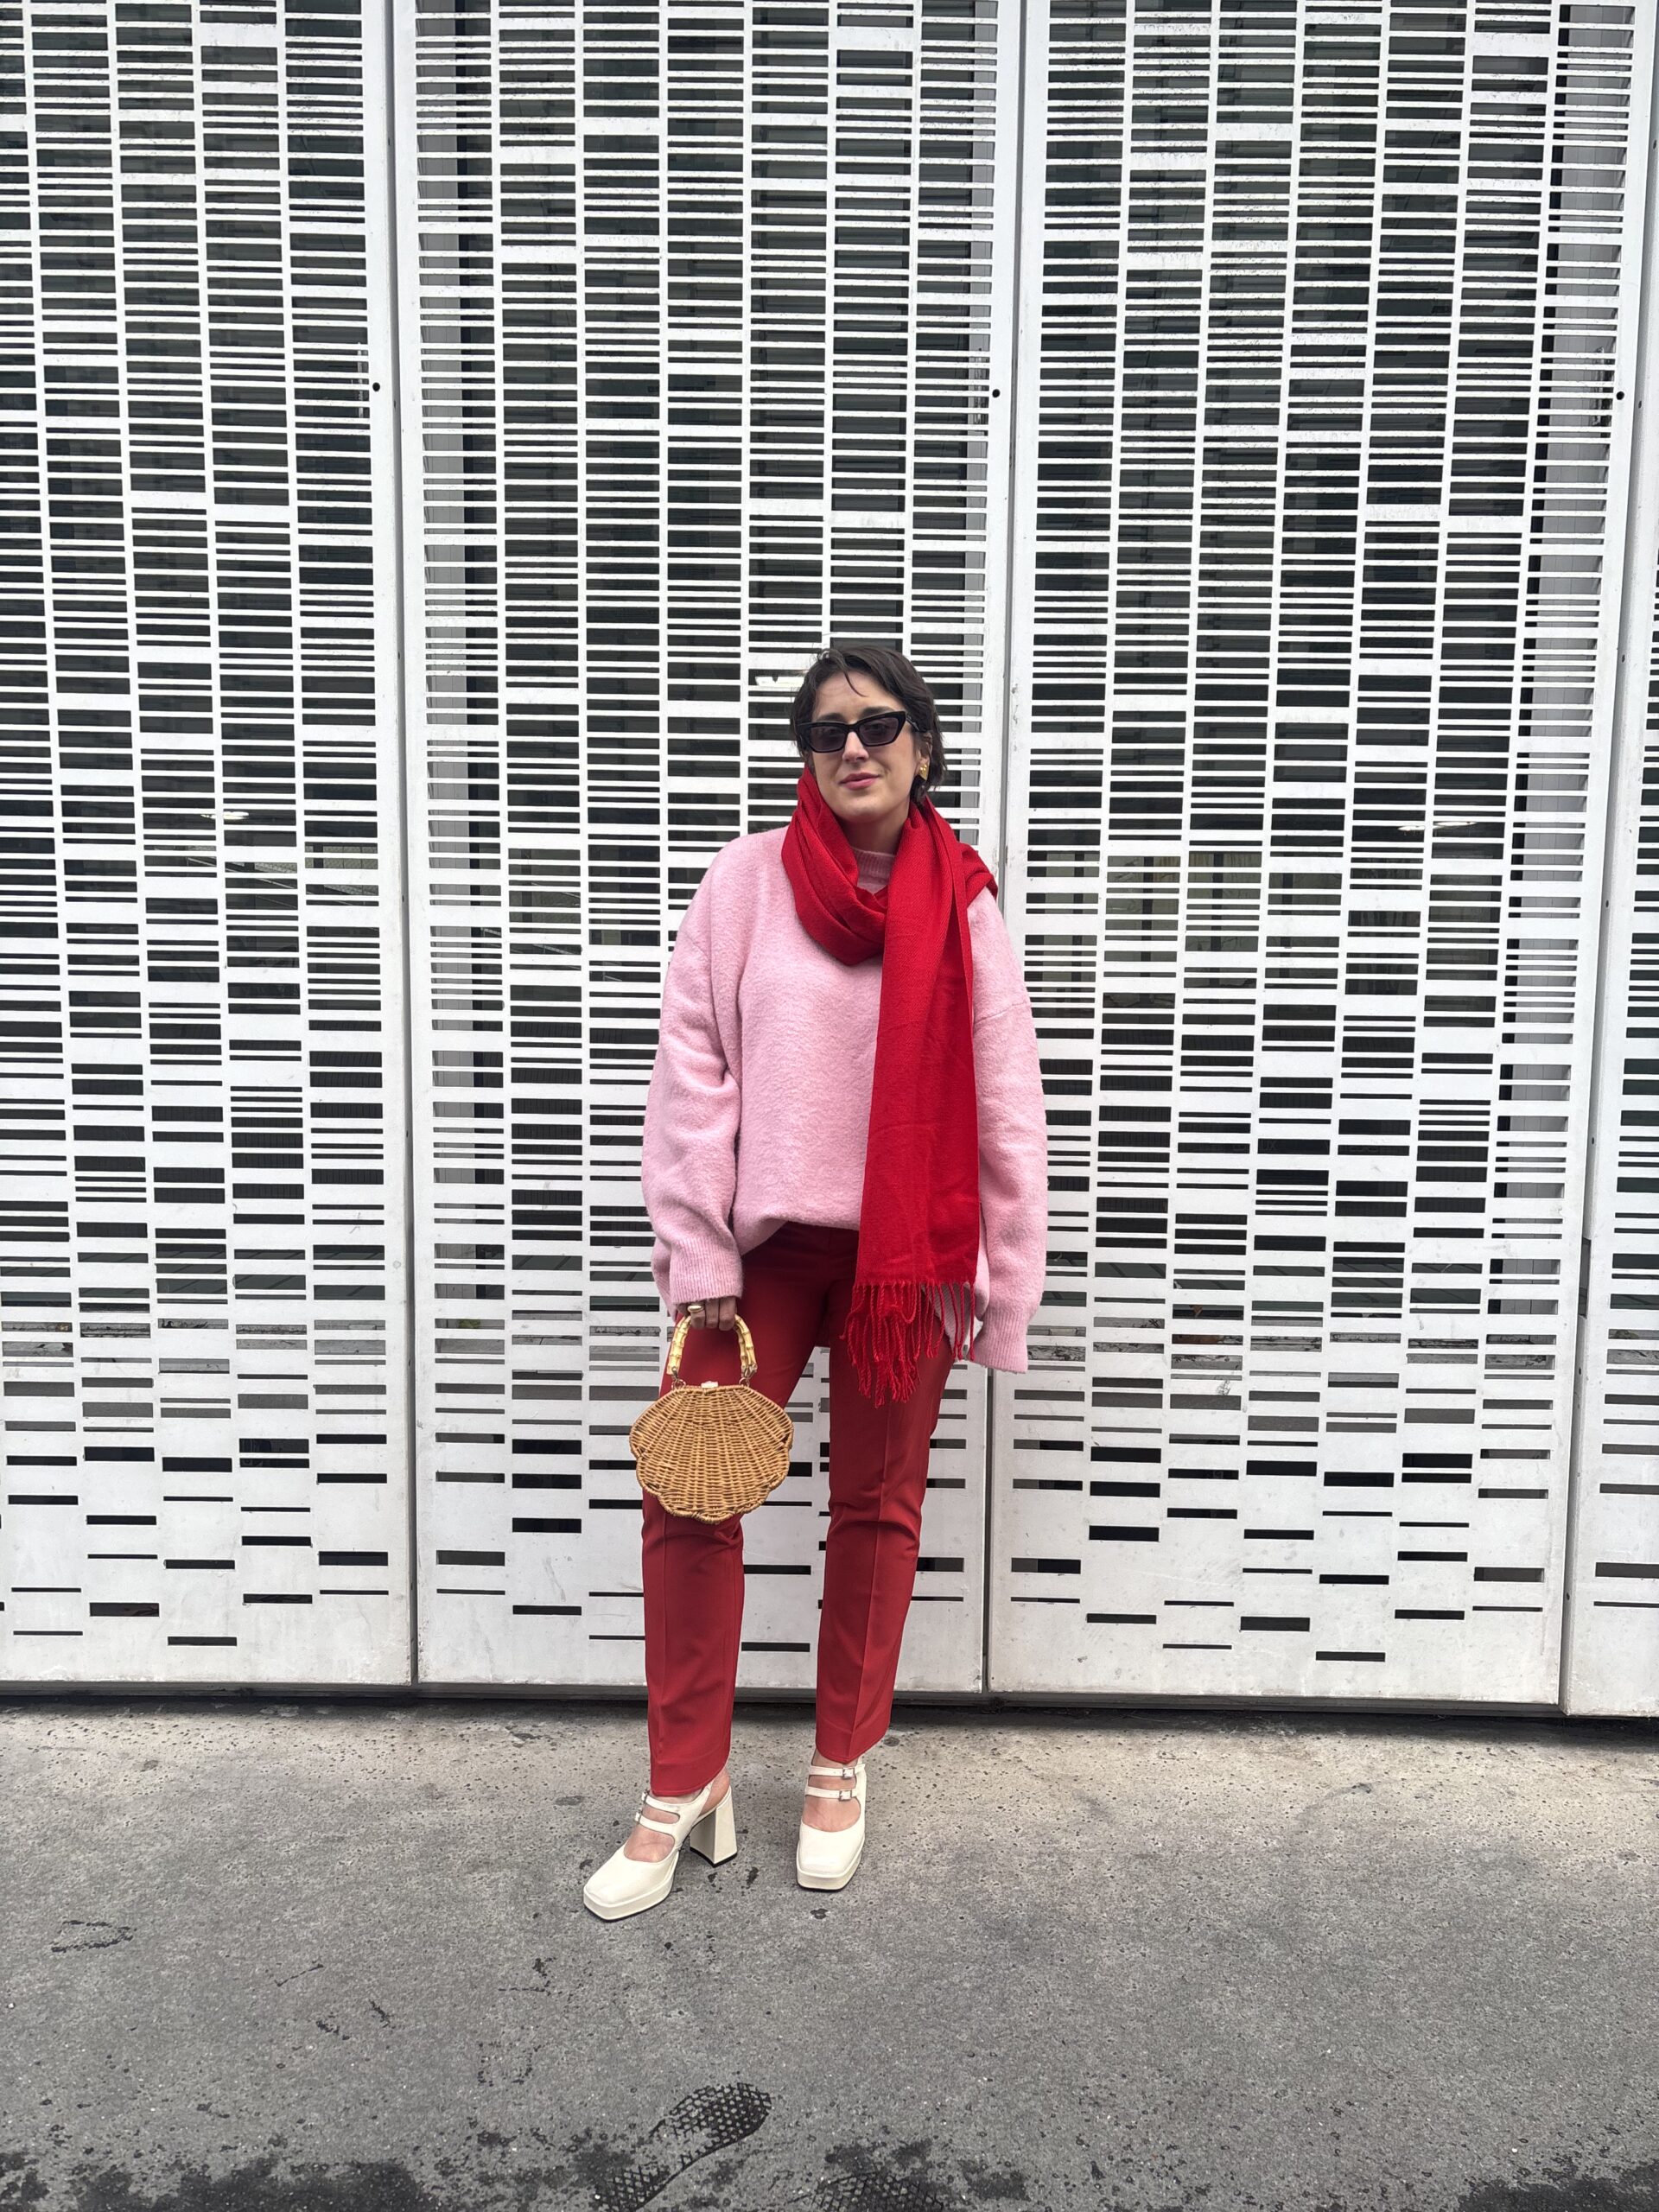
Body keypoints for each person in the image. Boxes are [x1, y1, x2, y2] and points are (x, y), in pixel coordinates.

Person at [582, 643, 1049, 1921]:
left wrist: (1003, 1280)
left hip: (908, 1264)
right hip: (762, 1258)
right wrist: (697, 1254)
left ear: (923, 748)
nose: (855, 747)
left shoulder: (964, 902)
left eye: (881, 725)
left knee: (876, 1509)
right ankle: (685, 1779)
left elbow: (1006, 1103)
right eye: (828, 729)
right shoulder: (744, 885)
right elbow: (692, 1070)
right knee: (689, 1493)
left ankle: (840, 1760)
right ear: (805, 754)